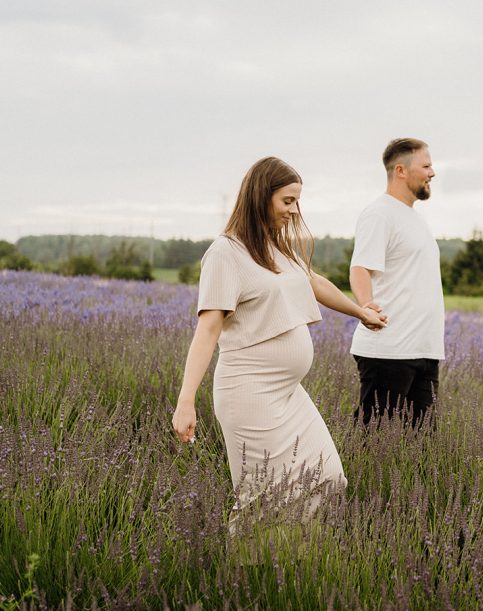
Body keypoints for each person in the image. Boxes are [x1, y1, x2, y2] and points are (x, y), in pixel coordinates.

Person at [172, 157, 386, 523]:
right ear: (261, 197)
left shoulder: (276, 247)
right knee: (265, 498)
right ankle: (253, 575)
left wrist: (360, 312)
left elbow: (313, 281)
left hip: (288, 392)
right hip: (249, 392)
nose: (293, 210)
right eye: (287, 201)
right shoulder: (226, 253)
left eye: (296, 201)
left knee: (327, 475)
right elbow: (207, 331)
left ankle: (293, 563)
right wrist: (186, 401)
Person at [349, 138, 444, 428]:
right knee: (373, 442)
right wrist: (366, 306)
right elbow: (360, 268)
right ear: (401, 170)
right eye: (426, 165)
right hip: (390, 349)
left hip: (424, 350)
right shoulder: (380, 213)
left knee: (422, 449)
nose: (433, 172)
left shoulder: (415, 219)